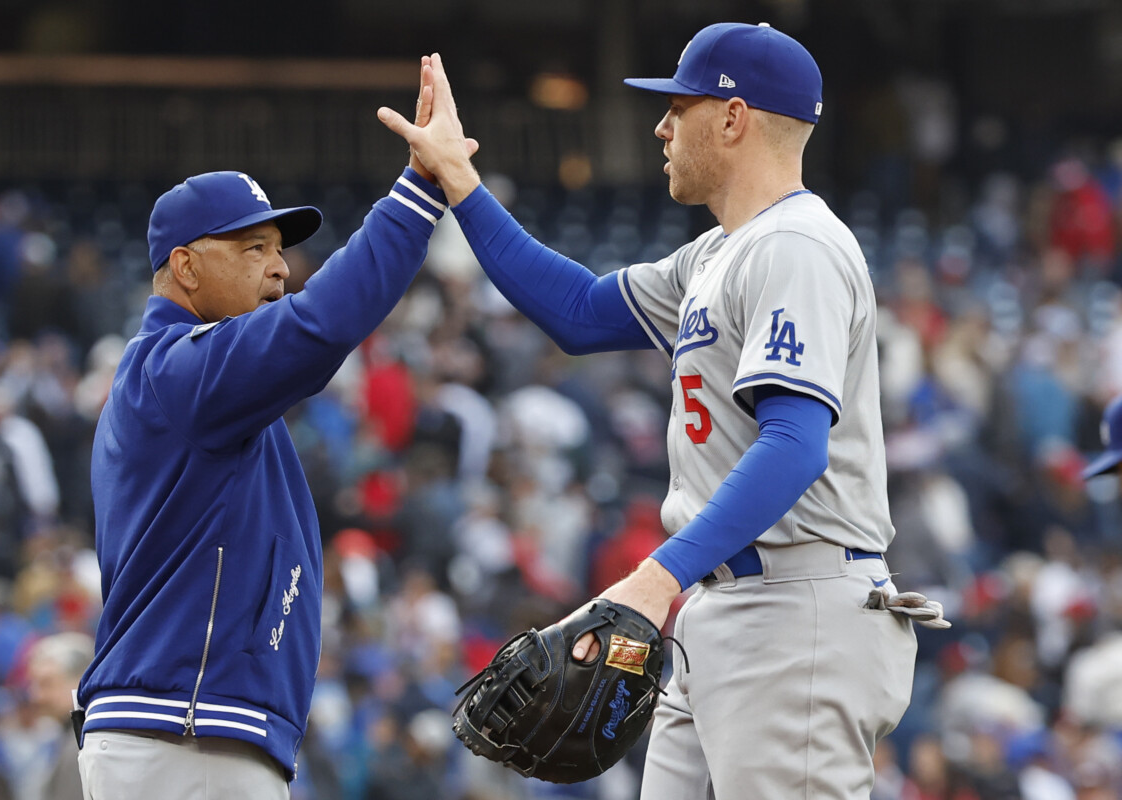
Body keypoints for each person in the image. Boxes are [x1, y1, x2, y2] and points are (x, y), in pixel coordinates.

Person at [379, 27, 922, 799]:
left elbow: (796, 446)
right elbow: (574, 311)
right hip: (722, 605)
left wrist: (653, 579)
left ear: (733, 119)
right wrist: (460, 180)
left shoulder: (797, 245)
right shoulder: (715, 254)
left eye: (679, 107)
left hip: (795, 604)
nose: (662, 127)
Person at [76, 62, 475, 799]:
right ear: (186, 268)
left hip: (187, 729)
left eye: (278, 249)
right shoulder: (180, 373)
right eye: (251, 248)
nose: (279, 271)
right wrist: (419, 190)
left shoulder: (197, 385)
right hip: (184, 729)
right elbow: (321, 325)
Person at [27, 632, 95, 800]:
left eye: (47, 684)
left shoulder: (85, 744)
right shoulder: (63, 737)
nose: (36, 696)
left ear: (81, 681)